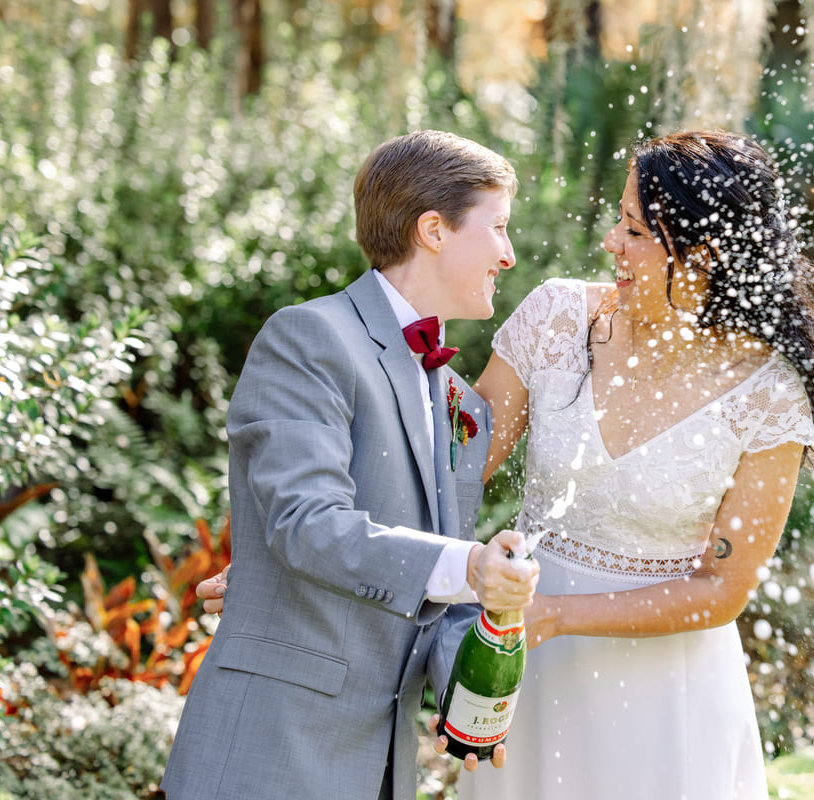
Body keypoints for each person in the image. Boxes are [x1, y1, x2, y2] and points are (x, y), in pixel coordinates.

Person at [200, 130, 814, 798]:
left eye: (634, 229)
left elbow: (724, 589)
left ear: (703, 250)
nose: (611, 242)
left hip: (665, 688)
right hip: (519, 660)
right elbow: (448, 467)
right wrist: (309, 559)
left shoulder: (770, 392)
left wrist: (557, 615)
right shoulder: (557, 316)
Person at [163, 130, 540, 800]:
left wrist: (475, 687)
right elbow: (307, 525)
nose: (509, 254)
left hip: (382, 764)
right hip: (274, 745)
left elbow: (442, 594)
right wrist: (469, 566)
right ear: (434, 229)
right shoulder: (309, 338)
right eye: (499, 228)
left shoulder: (463, 407)